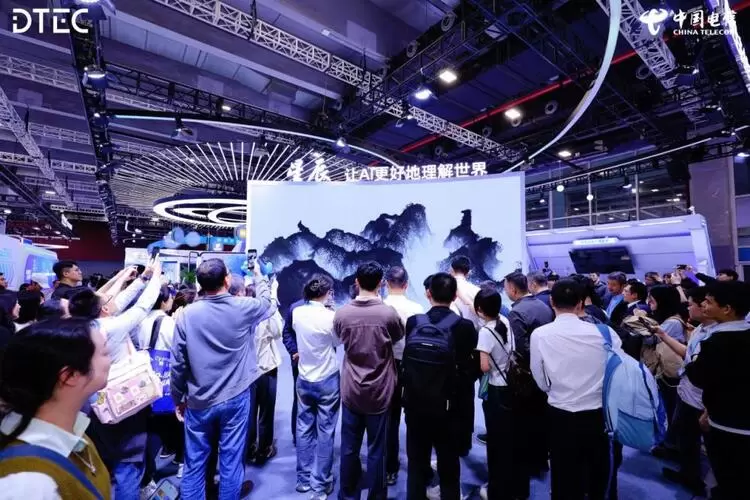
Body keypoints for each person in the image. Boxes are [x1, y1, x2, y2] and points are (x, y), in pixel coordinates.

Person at [170, 258, 276, 499]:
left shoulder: (187, 315)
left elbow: (178, 363)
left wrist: (178, 397)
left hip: (199, 399)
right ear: (227, 280)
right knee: (231, 462)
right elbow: (268, 303)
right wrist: (259, 275)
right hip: (236, 397)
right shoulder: (243, 307)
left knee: (194, 464)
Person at [530, 279, 622, 500]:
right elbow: (618, 373)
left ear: (551, 302)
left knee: (564, 472)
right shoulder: (606, 333)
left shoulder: (540, 334)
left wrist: (554, 391)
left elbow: (539, 378)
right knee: (598, 471)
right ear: (580, 303)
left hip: (560, 413)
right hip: (599, 414)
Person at [0, 319, 112, 498]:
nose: (110, 358)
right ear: (70, 376)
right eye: (105, 352)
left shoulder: (73, 431)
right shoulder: (28, 484)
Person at [403, 273, 477, 500]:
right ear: (455, 296)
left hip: (415, 405)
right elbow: (469, 370)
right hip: (449, 407)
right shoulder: (465, 327)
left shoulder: (413, 322)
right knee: (449, 465)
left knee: (416, 463)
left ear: (428, 293)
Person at [334, 262, 403, 500]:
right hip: (380, 392)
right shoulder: (388, 313)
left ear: (357, 282)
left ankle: (348, 495)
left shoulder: (342, 313)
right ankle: (377, 496)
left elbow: (339, 337)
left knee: (349, 449)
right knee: (377, 450)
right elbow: (397, 336)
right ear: (381, 283)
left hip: (351, 390)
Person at [686, 280, 750, 500]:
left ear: (727, 309)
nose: (703, 305)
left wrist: (692, 359)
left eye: (709, 302)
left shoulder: (717, 342)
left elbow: (699, 377)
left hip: (728, 425)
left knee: (730, 479)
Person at [653, 287, 713, 496]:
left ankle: (696, 481)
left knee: (700, 441)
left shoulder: (717, 336)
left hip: (701, 398)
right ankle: (689, 474)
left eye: (691, 304)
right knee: (686, 438)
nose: (688, 307)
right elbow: (688, 354)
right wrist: (662, 335)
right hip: (687, 392)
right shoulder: (700, 329)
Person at [474, 287, 528, 500]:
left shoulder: (485, 332)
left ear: (479, 309)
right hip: (512, 386)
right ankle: (516, 487)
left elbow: (484, 367)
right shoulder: (505, 320)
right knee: (512, 438)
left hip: (496, 390)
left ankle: (497, 489)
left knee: (496, 441)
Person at [292, 275, 340, 500]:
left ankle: (303, 480)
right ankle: (320, 483)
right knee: (326, 430)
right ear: (327, 293)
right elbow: (337, 342)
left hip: (304, 377)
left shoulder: (297, 312)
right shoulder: (331, 317)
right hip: (327, 377)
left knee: (303, 428)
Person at [503, 271, 554, 476]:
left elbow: (520, 349)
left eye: (506, 288)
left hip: (527, 375)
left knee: (524, 420)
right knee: (540, 416)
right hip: (546, 369)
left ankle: (527, 464)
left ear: (512, 289)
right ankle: (540, 460)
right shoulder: (543, 306)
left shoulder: (517, 312)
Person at [133, 284, 180, 496]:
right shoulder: (168, 322)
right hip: (165, 377)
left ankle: (147, 476)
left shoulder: (139, 320)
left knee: (149, 425)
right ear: (163, 301)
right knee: (173, 422)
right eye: (170, 297)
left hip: (145, 377)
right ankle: (180, 462)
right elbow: (177, 349)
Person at [382, 266, 424, 486]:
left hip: (386, 368)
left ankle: (390, 468)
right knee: (414, 418)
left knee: (390, 419)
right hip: (412, 367)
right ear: (406, 284)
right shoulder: (417, 308)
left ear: (386, 283)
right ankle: (417, 467)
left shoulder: (380, 307)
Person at [245, 281, 283, 465]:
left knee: (249, 411)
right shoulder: (265, 314)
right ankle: (265, 448)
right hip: (266, 369)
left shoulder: (241, 315)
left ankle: (250, 447)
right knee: (266, 411)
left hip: (246, 372)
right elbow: (277, 332)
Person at [646, 285, 688, 430]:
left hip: (669, 373)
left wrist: (640, 321)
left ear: (663, 301)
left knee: (670, 407)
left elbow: (650, 340)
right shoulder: (665, 319)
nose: (648, 303)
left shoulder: (672, 322)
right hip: (663, 371)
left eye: (652, 300)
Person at [283, 294, 308, 448]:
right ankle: (297, 435)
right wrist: (294, 352)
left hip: (316, 363)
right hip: (300, 362)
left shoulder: (327, 309)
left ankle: (301, 435)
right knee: (299, 398)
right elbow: (286, 333)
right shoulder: (296, 308)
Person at [448, 256, 481, 328]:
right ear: (468, 272)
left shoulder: (443, 288)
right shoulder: (477, 290)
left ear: (451, 269)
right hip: (473, 332)